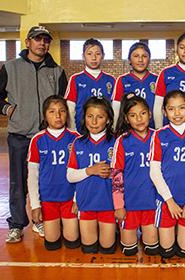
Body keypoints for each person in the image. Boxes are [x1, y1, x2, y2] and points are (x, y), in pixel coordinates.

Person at [0, 25, 68, 243]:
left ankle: (41, 219)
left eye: (45, 40)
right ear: (28, 42)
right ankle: (16, 225)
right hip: (20, 136)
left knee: (44, 181)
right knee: (19, 182)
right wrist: (7, 109)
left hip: (47, 137)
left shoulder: (57, 71)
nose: (42, 43)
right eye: (37, 39)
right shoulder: (10, 67)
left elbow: (63, 103)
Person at [149, 90, 185, 258]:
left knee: (184, 252)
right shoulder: (159, 135)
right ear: (164, 111)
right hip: (166, 200)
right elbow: (154, 172)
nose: (177, 113)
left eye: (181, 108)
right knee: (166, 252)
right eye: (171, 109)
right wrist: (169, 201)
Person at [27, 96, 80, 251]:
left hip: (69, 198)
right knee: (52, 244)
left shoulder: (75, 138)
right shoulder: (38, 140)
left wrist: (77, 198)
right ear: (45, 115)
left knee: (72, 242)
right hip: (48, 198)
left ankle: (67, 224)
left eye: (62, 111)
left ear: (67, 114)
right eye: (52, 112)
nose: (58, 116)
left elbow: (80, 172)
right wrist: (35, 205)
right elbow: (32, 175)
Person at [66, 96, 117, 254]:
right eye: (90, 116)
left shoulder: (116, 142)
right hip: (86, 203)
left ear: (108, 120)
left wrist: (111, 174)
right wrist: (91, 170)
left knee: (107, 249)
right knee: (89, 249)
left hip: (108, 204)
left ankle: (116, 231)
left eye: (100, 117)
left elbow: (125, 175)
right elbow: (70, 176)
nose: (94, 122)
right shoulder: (78, 143)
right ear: (84, 118)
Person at [112, 94, 159, 256]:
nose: (139, 119)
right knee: (129, 251)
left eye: (143, 113)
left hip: (152, 203)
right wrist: (119, 205)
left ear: (150, 114)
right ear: (126, 118)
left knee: (152, 249)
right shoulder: (123, 141)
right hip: (130, 204)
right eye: (133, 115)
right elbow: (116, 175)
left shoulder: (158, 137)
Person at [64, 38, 116, 133]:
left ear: (103, 56)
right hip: (81, 130)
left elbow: (115, 108)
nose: (94, 58)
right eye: (89, 54)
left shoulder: (111, 80)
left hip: (105, 131)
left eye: (97, 54)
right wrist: (72, 130)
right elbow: (70, 107)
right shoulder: (76, 79)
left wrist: (113, 128)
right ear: (83, 56)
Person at [112, 42, 157, 129]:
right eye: (136, 56)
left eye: (144, 56)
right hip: (129, 130)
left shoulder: (156, 79)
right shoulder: (122, 80)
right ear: (129, 60)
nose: (140, 60)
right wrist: (114, 129)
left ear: (149, 59)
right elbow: (116, 109)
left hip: (152, 128)